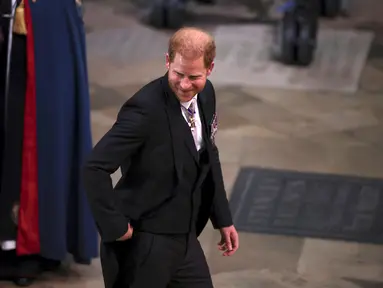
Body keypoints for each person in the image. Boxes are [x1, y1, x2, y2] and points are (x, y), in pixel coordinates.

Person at [83, 27, 239, 288]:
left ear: (210, 69)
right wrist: (116, 226)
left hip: (186, 238)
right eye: (178, 73)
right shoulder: (144, 110)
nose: (185, 84)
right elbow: (94, 167)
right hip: (147, 242)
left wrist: (222, 217)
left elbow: (209, 156)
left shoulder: (207, 95)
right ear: (167, 61)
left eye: (194, 76)